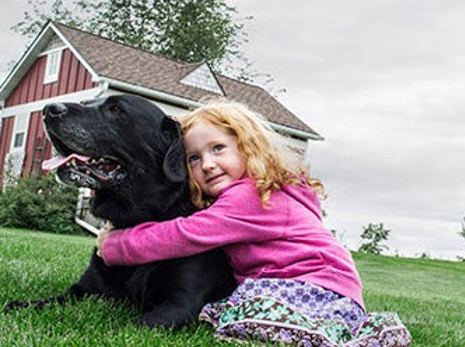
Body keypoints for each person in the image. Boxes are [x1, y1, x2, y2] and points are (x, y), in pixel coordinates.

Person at [97, 99, 411, 347]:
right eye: (193, 158)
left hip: (313, 289)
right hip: (334, 295)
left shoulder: (249, 197)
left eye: (218, 149)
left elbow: (186, 234)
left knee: (239, 314)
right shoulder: (266, 191)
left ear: (249, 148)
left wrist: (116, 245)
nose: (207, 164)